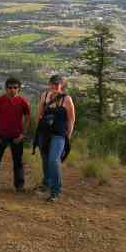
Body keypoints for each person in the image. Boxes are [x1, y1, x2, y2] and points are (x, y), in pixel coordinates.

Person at [0, 78, 31, 193]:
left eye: (15, 87)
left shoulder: (22, 101)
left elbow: (28, 118)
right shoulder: (0, 100)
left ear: (19, 89)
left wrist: (23, 134)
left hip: (17, 136)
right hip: (1, 135)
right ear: (6, 88)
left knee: (18, 161)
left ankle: (19, 185)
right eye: (10, 87)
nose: (12, 90)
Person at [34, 75, 76, 203]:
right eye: (52, 84)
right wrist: (38, 129)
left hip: (59, 134)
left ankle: (55, 190)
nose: (54, 86)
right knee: (45, 158)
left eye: (57, 84)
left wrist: (68, 136)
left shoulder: (66, 99)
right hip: (44, 133)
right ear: (49, 84)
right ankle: (46, 182)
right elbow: (39, 113)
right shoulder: (45, 96)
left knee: (53, 160)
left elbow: (71, 119)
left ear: (61, 85)